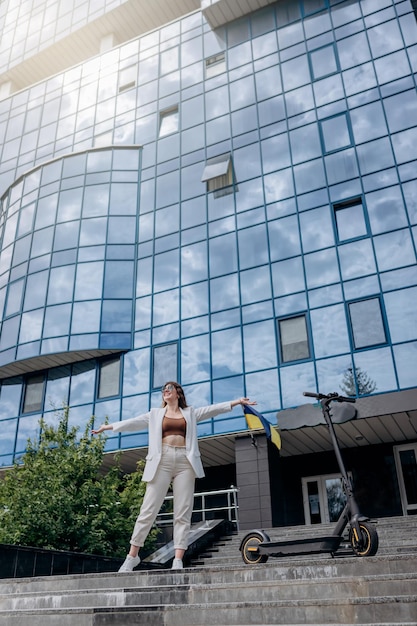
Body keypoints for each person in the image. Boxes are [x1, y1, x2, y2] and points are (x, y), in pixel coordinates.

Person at [92, 381, 256, 572]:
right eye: (163, 390)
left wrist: (237, 402)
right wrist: (108, 427)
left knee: (183, 512)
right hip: (162, 460)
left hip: (185, 462)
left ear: (178, 393)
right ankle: (132, 556)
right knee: (148, 509)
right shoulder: (155, 414)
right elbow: (133, 422)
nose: (165, 391)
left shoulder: (190, 413)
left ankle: (178, 559)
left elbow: (212, 410)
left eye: (169, 389)